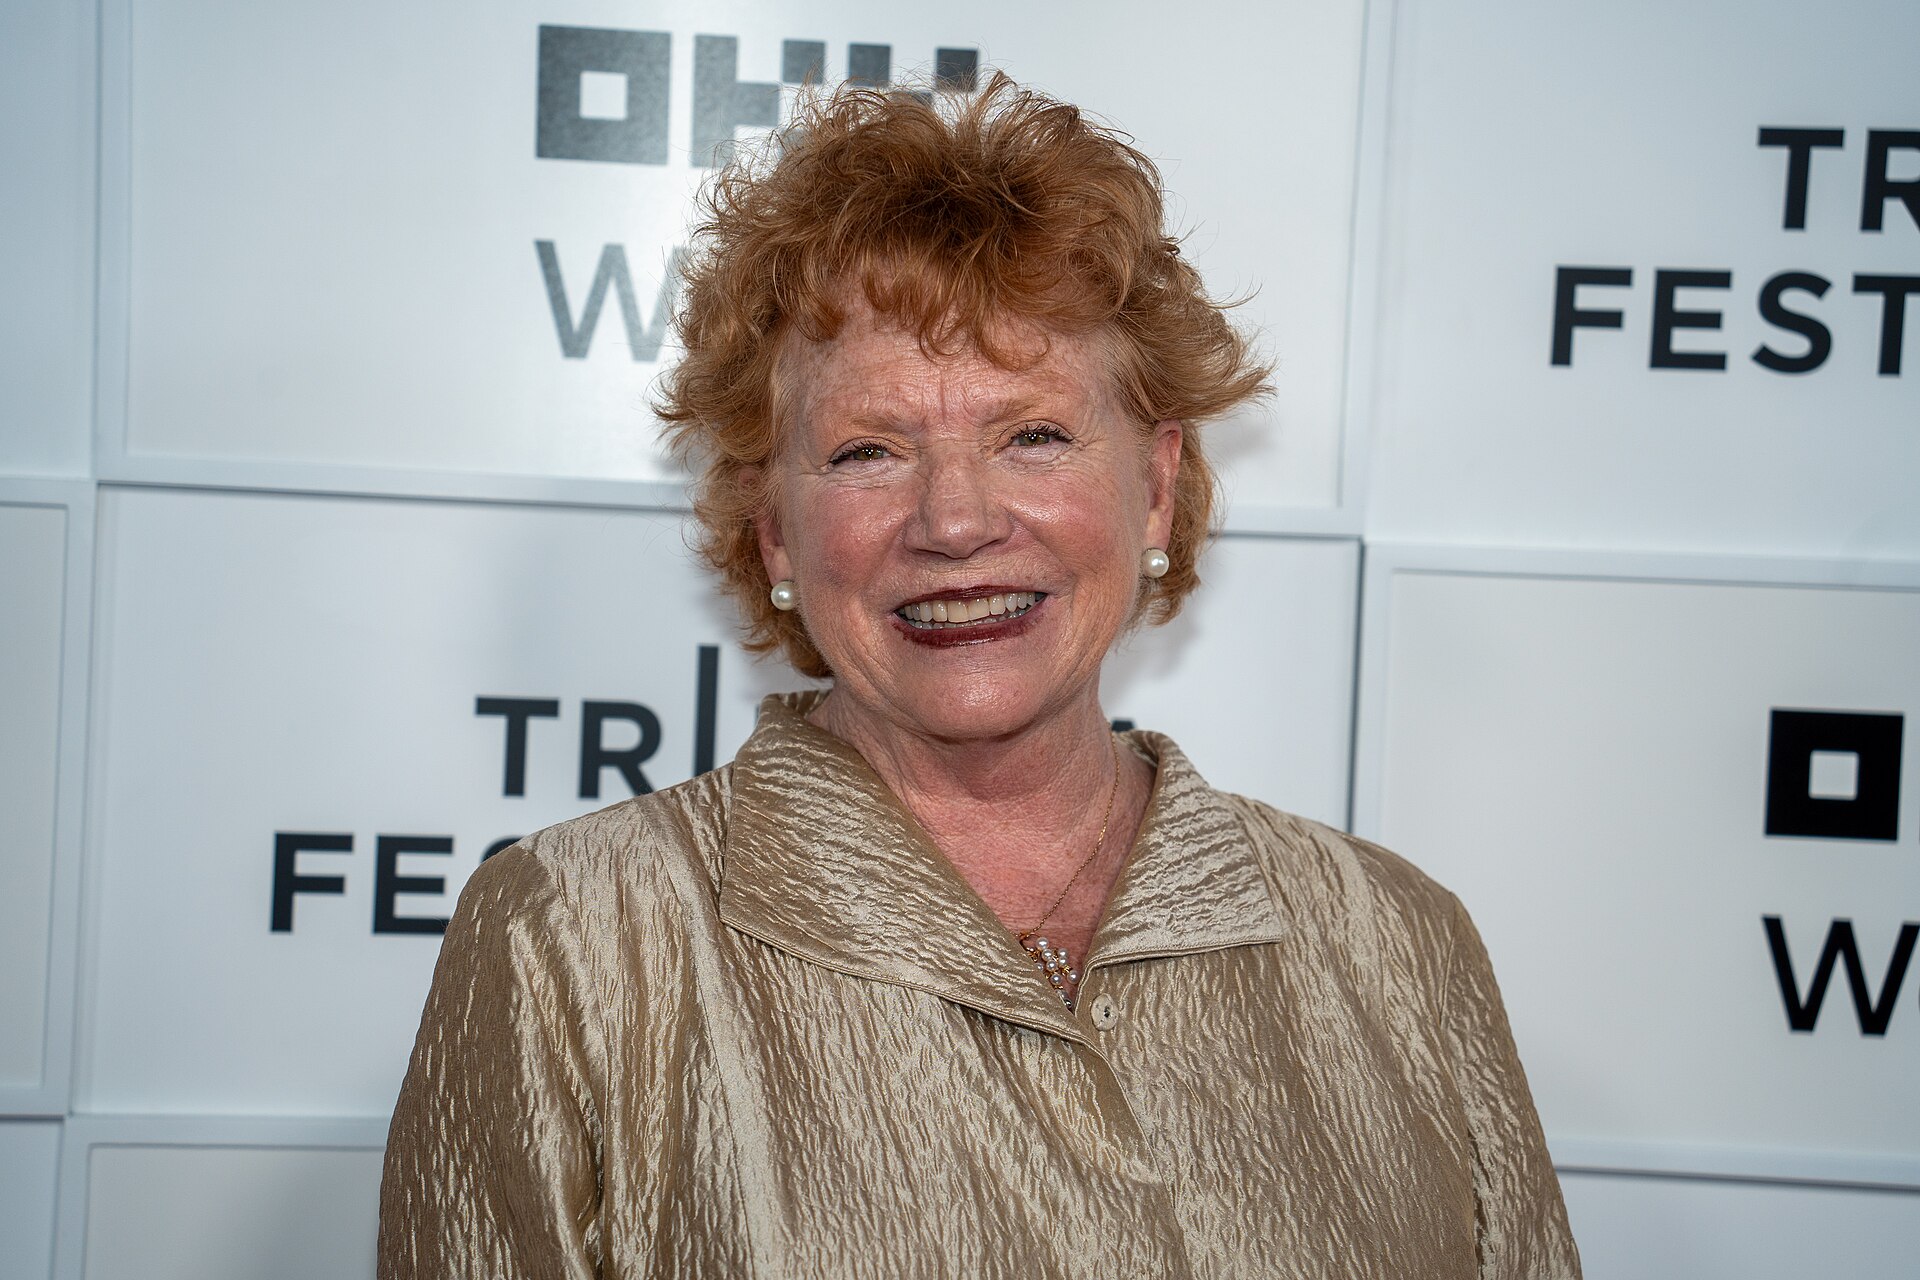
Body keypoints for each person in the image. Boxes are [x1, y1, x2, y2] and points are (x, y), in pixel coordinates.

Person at [378, 74, 1580, 1278]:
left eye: (1034, 434)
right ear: (776, 532)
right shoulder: (572, 941)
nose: (953, 519)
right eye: (867, 451)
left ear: (1155, 486)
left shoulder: (1397, 944)